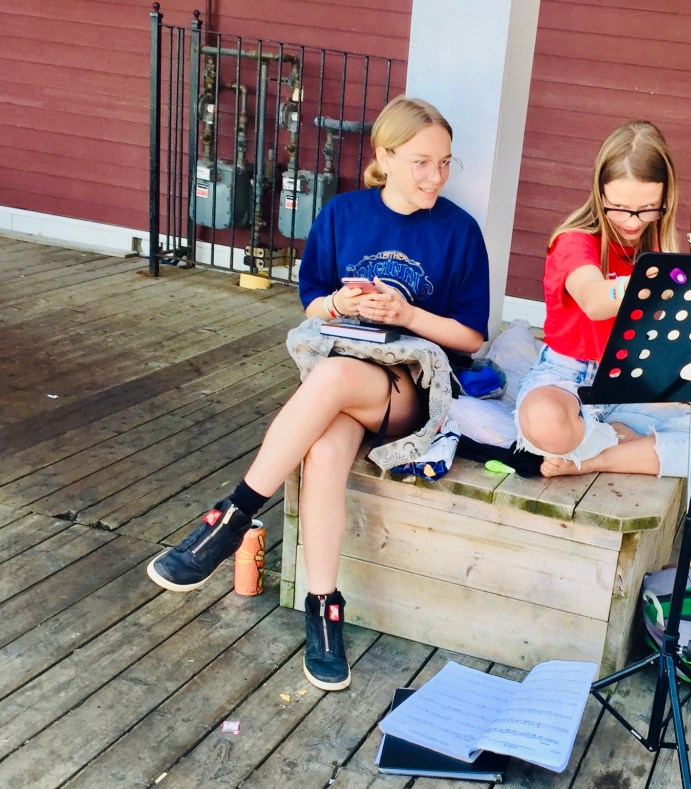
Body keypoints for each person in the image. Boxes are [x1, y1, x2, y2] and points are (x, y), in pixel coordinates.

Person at [147, 96, 490, 691]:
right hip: (346, 371)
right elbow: (313, 301)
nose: (435, 176)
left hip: (413, 388)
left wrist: (408, 315)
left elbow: (472, 338)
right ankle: (324, 608)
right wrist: (339, 303)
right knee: (325, 452)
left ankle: (234, 515)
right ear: (385, 156)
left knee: (329, 380)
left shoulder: (459, 231)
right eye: (421, 162)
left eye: (444, 163)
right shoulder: (343, 214)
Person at [514, 120, 691, 482]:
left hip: (634, 383)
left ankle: (599, 456)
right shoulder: (574, 240)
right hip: (568, 378)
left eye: (647, 208)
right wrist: (657, 281)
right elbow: (594, 300)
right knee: (544, 422)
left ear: (664, 200)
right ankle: (622, 442)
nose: (632, 222)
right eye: (619, 207)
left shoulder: (659, 246)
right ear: (599, 193)